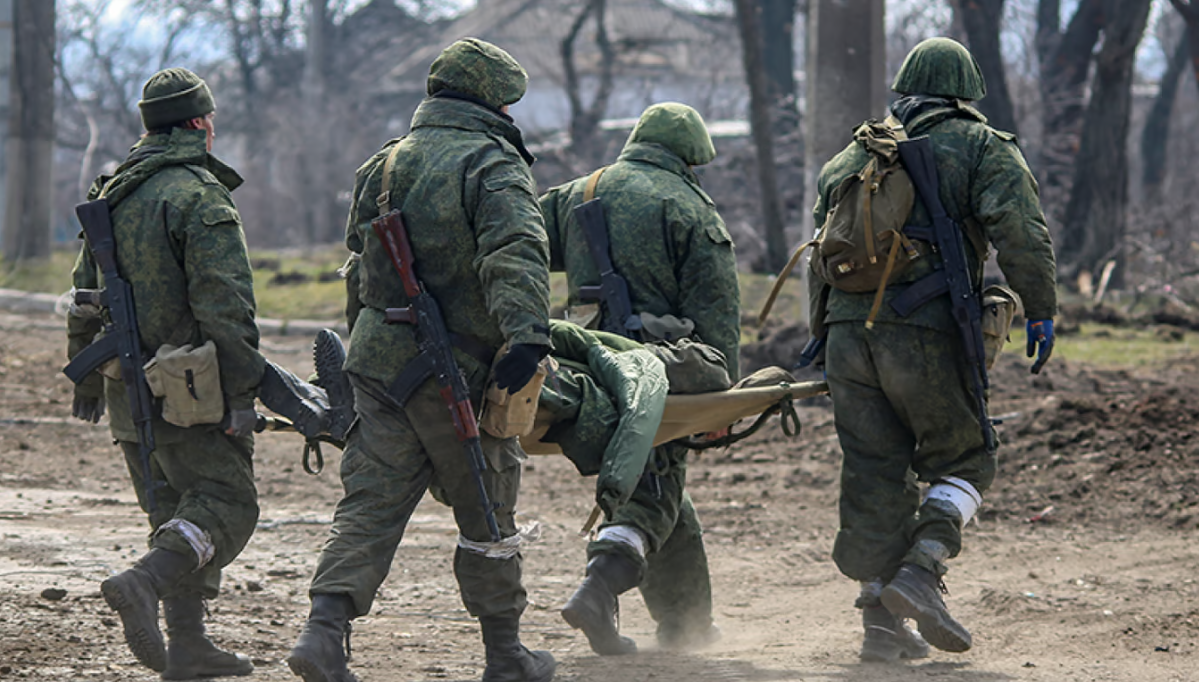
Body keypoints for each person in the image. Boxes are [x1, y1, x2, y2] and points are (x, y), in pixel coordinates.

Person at [286, 39, 555, 682]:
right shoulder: (491, 163)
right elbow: (514, 249)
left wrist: (364, 347)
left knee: (369, 504)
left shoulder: (380, 166)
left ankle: (324, 633)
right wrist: (528, 338)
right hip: (456, 371)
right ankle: (506, 655)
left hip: (377, 366)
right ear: (492, 100)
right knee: (488, 507)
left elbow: (359, 266)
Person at [811, 37, 1058, 660]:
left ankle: (879, 623)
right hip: (922, 333)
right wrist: (1043, 307)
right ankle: (922, 571)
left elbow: (821, 253)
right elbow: (1020, 232)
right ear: (966, 90)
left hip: (846, 338)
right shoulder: (981, 146)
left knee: (873, 471)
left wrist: (821, 341)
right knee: (968, 457)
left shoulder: (852, 154)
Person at [67, 67, 263, 679]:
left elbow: (83, 291)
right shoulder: (198, 195)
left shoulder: (113, 190)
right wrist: (241, 394)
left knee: (173, 510)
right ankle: (143, 582)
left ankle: (187, 644)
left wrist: (85, 377)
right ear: (202, 123)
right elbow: (226, 306)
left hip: (124, 386)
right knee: (227, 503)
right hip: (191, 391)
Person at [538, 102, 740, 653]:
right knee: (657, 481)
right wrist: (724, 404)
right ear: (690, 157)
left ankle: (686, 625)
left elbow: (521, 252)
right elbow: (717, 318)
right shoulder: (692, 209)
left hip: (583, 365)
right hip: (655, 375)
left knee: (661, 485)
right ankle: (600, 584)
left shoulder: (576, 194)